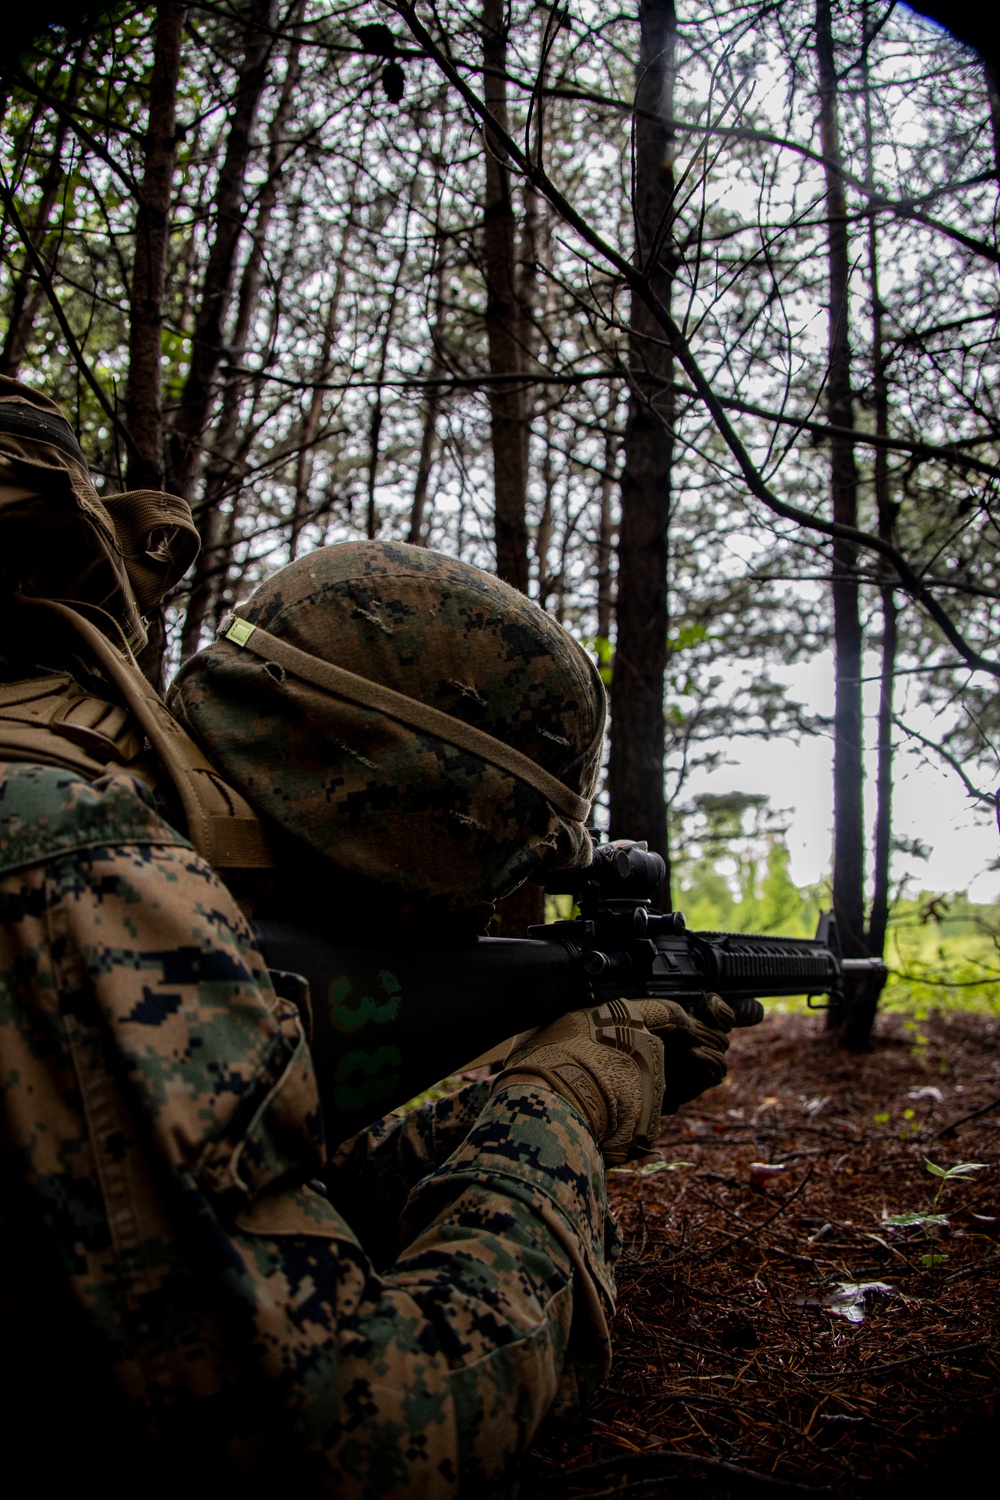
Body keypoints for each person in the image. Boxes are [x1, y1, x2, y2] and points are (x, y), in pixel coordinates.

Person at [0, 380, 736, 1498]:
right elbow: (352, 1441)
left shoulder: (61, 788)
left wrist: (506, 1098)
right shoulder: (89, 864)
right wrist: (563, 1116)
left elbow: (232, 1195)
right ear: (412, 836)